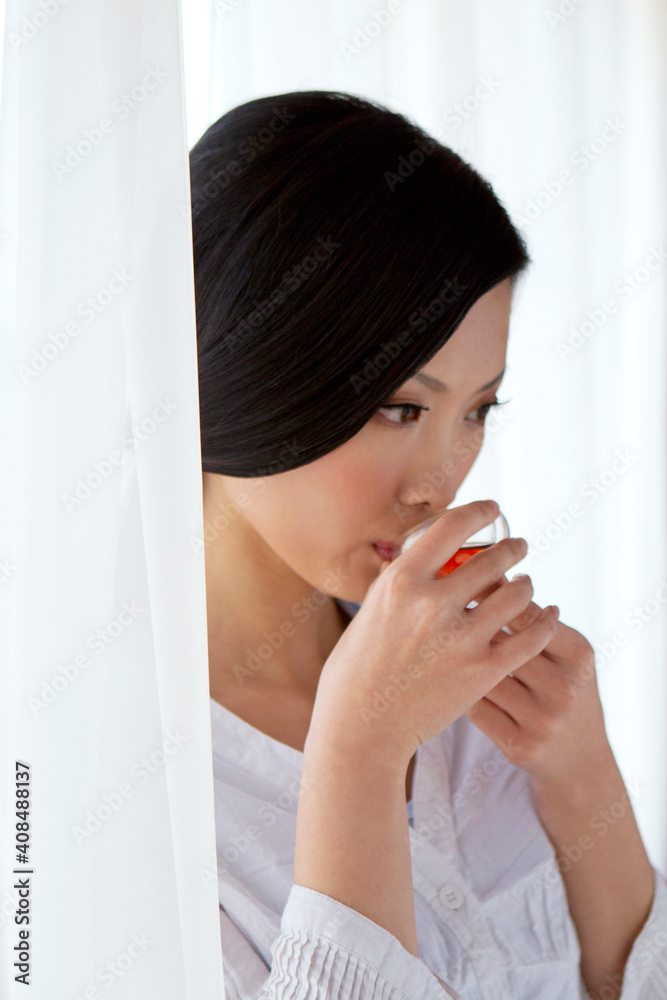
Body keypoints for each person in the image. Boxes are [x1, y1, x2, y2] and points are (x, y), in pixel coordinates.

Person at [191, 90, 667, 999]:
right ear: (246, 373)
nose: (439, 481)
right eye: (400, 408)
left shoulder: (475, 691)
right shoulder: (97, 778)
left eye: (479, 410)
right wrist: (358, 758)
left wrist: (581, 780)